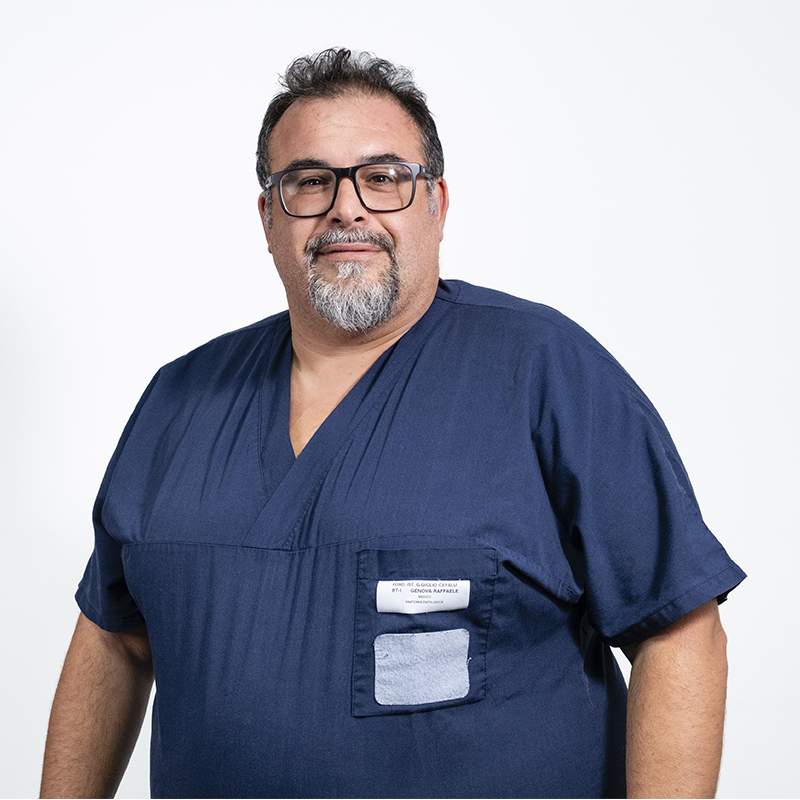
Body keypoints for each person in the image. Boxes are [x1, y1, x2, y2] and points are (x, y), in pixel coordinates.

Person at [41, 48, 745, 799]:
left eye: (383, 178)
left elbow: (679, 629)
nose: (347, 208)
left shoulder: (543, 371)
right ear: (269, 217)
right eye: (309, 181)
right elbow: (115, 639)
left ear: (436, 204)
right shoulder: (180, 400)